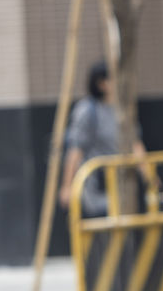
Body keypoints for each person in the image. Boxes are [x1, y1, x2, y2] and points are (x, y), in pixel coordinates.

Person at [58, 61, 147, 217]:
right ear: (101, 84)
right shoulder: (87, 111)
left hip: (123, 183)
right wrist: (67, 186)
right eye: (114, 78)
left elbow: (136, 145)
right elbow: (75, 150)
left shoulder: (124, 111)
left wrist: (151, 178)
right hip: (97, 187)